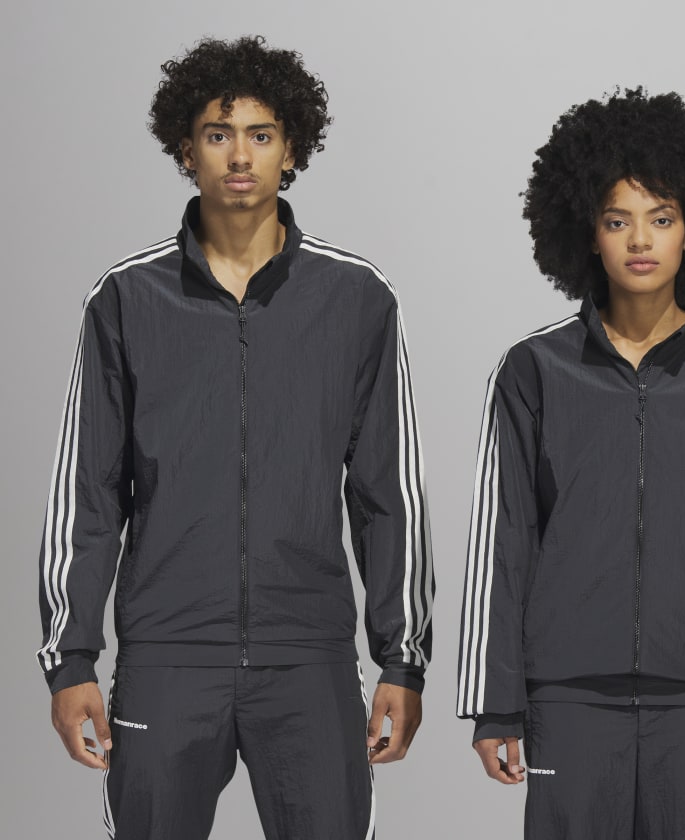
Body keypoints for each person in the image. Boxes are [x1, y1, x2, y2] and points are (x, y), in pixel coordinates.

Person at [37, 35, 433, 840]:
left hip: (309, 657)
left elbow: (387, 495)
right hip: (167, 656)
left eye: (261, 134)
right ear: (187, 151)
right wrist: (71, 658)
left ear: (292, 149)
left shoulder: (356, 299)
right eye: (218, 135)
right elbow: (89, 493)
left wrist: (401, 658)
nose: (241, 156)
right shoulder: (126, 299)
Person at [457, 88, 685, 839]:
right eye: (618, 220)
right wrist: (493, 700)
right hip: (568, 699)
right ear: (588, 232)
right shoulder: (533, 370)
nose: (640, 240)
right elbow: (502, 544)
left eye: (661, 218)